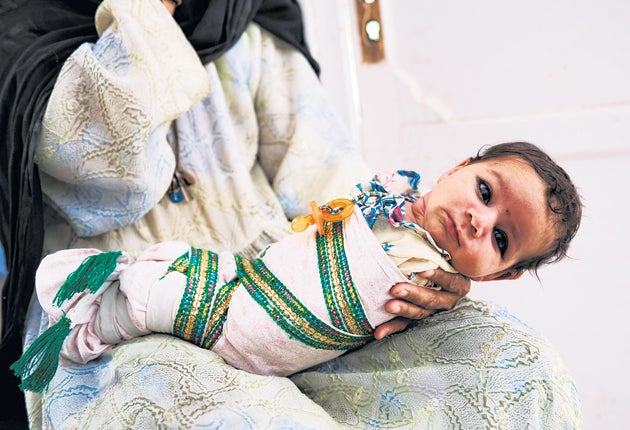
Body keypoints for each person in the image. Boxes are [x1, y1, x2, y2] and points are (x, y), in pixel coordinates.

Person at [0, 0, 470, 423]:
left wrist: (419, 259)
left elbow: (329, 176)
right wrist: (147, 15)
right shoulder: (21, 27)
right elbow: (112, 179)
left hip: (283, 280)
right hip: (122, 300)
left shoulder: (245, 14)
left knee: (496, 354)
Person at [12, 141, 582, 392]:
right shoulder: (396, 193)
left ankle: (98, 322)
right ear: (458, 166)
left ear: (499, 273)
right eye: (484, 190)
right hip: (258, 270)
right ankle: (110, 277)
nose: (480, 221)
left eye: (502, 238)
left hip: (260, 332)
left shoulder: (435, 275)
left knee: (168, 303)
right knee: (194, 267)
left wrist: (454, 287)